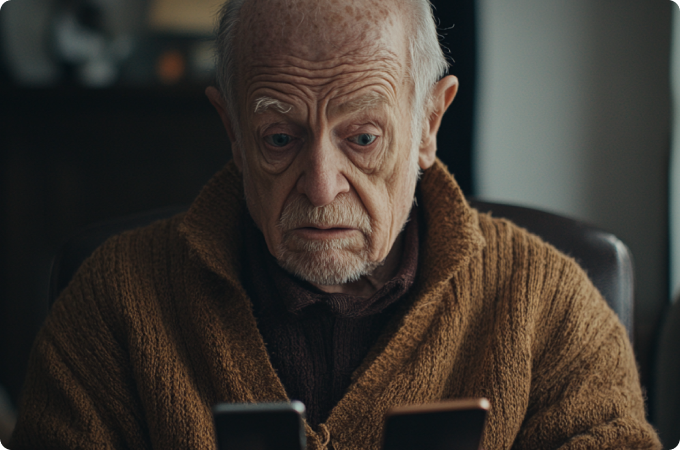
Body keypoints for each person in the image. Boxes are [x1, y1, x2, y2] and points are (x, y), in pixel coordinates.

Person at [9, 0, 661, 448]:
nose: (322, 188)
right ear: (233, 132)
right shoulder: (109, 306)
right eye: (280, 137)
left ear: (431, 124)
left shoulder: (554, 309)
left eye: (364, 137)